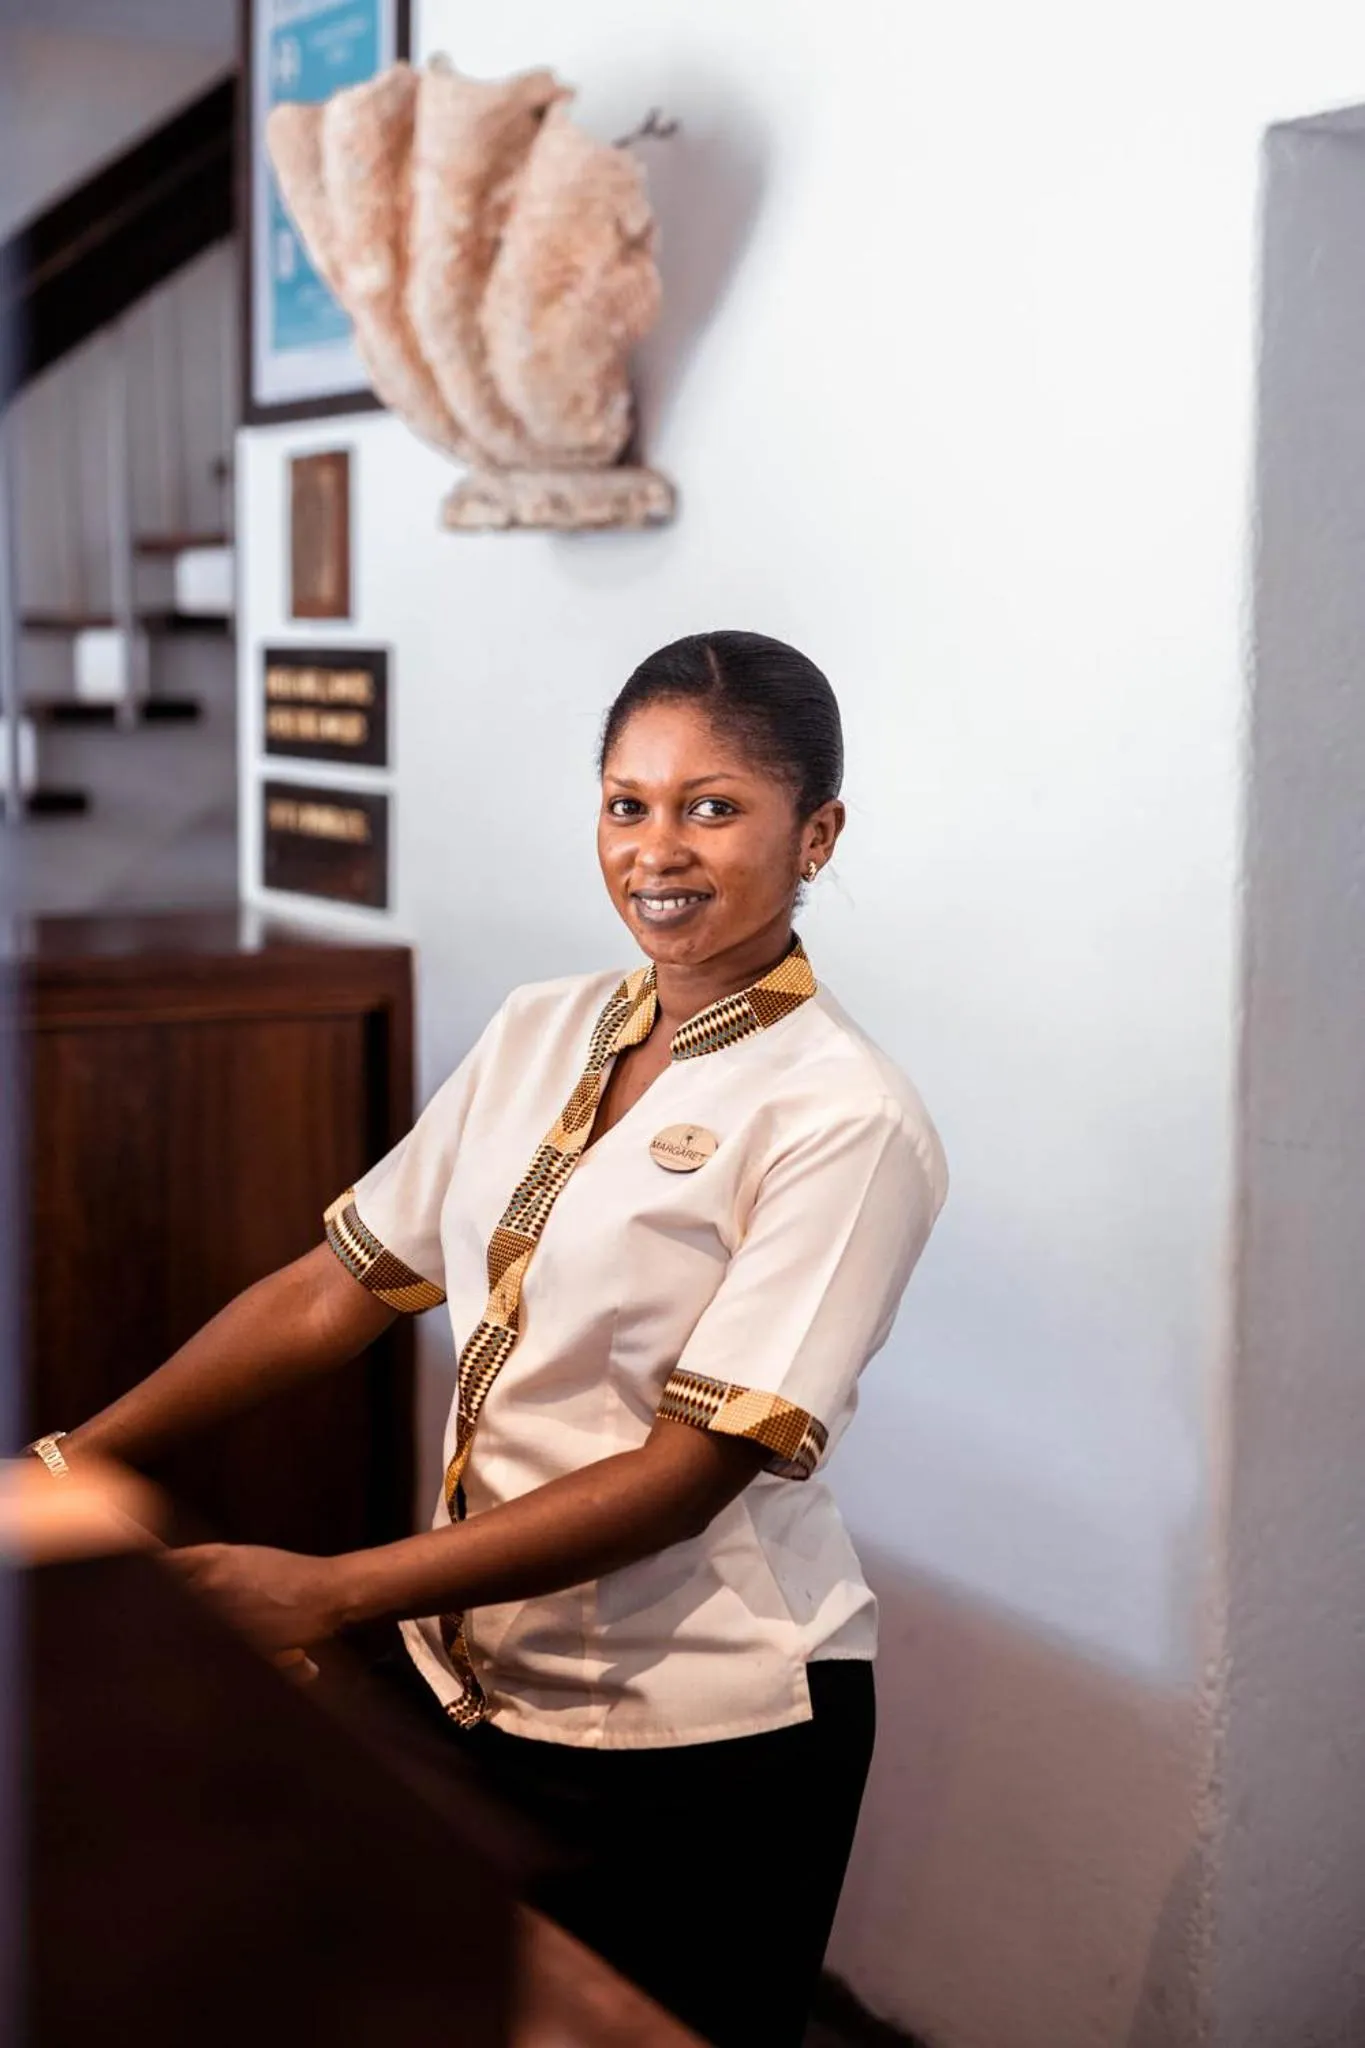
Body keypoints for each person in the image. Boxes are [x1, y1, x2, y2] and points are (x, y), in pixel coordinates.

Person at [28, 630, 947, 2048]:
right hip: (477, 1683)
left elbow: (686, 1474)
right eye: (626, 802)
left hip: (702, 1736)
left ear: (816, 831)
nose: (659, 847)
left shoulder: (844, 1116)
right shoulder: (542, 1027)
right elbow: (339, 1288)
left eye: (715, 806)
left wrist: (329, 1592)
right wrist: (75, 1459)